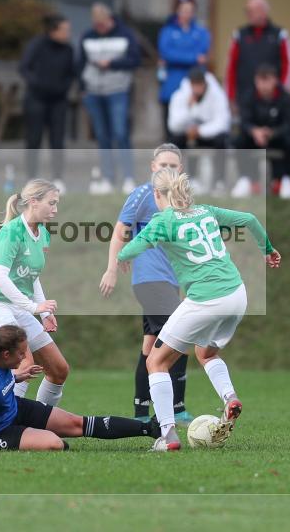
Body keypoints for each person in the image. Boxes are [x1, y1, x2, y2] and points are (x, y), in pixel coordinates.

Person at [116, 169, 281, 451]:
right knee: (206, 353)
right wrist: (267, 249)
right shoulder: (206, 211)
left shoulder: (162, 221)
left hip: (206, 299)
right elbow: (250, 220)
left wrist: (121, 256)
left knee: (155, 362)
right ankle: (229, 397)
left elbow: (130, 249)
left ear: (157, 195)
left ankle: (167, 435)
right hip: (236, 294)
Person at [99, 144, 193, 425]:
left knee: (150, 344)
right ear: (153, 167)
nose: (168, 170)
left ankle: (141, 412)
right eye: (163, 165)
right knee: (181, 335)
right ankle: (176, 407)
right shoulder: (143, 194)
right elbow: (120, 231)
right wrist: (112, 268)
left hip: (169, 281)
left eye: (173, 166)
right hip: (150, 280)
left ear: (180, 169)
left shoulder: (181, 200)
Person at [0, 325, 160, 452]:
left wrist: (17, 377)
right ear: (5, 354)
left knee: (77, 423)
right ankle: (23, 435)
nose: (24, 357)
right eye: (21, 353)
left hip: (13, 408)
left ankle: (150, 428)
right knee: (56, 444)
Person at [0, 179, 69, 407]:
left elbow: (32, 276)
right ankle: (8, 421)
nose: (55, 209)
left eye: (57, 203)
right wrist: (33, 307)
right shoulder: (11, 232)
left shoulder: (42, 233)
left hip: (17, 307)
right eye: (51, 203)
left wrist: (44, 313)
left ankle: (40, 420)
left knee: (58, 369)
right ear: (33, 202)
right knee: (24, 362)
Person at [79, 3, 141, 195]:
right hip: (93, 92)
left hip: (118, 90)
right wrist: (83, 88)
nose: (99, 28)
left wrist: (112, 64)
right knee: (102, 136)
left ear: (109, 19)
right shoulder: (88, 36)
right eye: (96, 25)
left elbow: (135, 60)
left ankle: (128, 177)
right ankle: (107, 178)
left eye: (102, 24)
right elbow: (79, 64)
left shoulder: (125, 34)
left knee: (120, 133)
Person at [19, 14, 75, 192]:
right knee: (34, 139)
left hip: (58, 101)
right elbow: (24, 68)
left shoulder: (68, 49)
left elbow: (71, 73)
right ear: (53, 31)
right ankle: (31, 178)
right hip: (36, 99)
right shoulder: (36, 45)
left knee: (57, 140)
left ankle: (58, 179)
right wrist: (38, 84)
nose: (68, 33)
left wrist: (64, 87)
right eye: (64, 30)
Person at [233, 64, 290, 199]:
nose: (263, 85)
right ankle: (246, 179)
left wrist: (273, 133)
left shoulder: (285, 97)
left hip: (277, 138)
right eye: (260, 81)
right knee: (239, 140)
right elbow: (244, 121)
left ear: (275, 80)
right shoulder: (249, 96)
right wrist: (254, 131)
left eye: (267, 80)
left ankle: (286, 179)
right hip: (255, 138)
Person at [225, 0, 290, 115]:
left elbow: (289, 64)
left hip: (272, 98)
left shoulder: (280, 35)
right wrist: (230, 96)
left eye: (252, 10)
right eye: (247, 11)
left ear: (263, 11)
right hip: (245, 97)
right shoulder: (239, 35)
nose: (248, 14)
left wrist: (282, 90)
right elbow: (231, 67)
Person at [166, 67, 230, 194]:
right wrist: (188, 108)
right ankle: (179, 182)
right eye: (194, 84)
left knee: (222, 140)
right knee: (174, 141)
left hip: (209, 135)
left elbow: (223, 123)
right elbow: (173, 125)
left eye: (199, 84)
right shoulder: (180, 95)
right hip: (189, 133)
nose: (197, 88)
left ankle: (219, 182)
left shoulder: (217, 95)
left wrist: (200, 131)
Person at [157, 0, 211, 142]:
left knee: (197, 133)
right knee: (172, 133)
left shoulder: (201, 32)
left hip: (195, 87)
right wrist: (193, 58)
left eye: (190, 10)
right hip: (172, 86)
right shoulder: (168, 31)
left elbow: (203, 52)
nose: (187, 13)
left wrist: (178, 56)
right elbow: (166, 53)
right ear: (177, 11)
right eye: (183, 10)